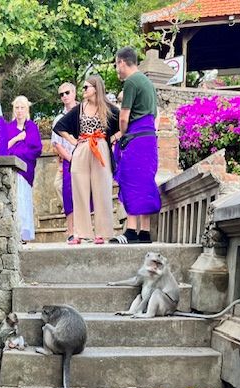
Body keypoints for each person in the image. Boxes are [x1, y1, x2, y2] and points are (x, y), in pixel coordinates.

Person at [54, 76, 119, 245]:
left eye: (85, 87)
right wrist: (73, 141)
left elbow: (125, 124)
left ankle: (102, 233)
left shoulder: (109, 108)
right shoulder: (79, 109)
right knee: (79, 191)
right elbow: (59, 127)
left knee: (102, 190)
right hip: (82, 149)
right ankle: (80, 233)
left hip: (101, 149)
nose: (83, 91)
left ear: (96, 88)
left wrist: (113, 138)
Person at [110, 46, 160, 244]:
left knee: (130, 180)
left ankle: (131, 230)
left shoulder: (131, 82)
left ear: (122, 62)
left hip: (135, 138)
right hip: (149, 138)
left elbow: (124, 116)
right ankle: (144, 232)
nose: (117, 69)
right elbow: (154, 115)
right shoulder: (148, 82)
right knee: (146, 181)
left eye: (116, 64)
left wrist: (121, 134)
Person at [6, 96, 42, 244]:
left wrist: (20, 154)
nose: (19, 111)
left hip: (26, 169)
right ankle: (14, 231)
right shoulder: (9, 127)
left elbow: (36, 149)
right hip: (12, 168)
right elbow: (5, 147)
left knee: (24, 199)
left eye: (22, 108)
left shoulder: (32, 127)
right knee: (14, 199)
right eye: (17, 108)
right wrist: (18, 138)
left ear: (27, 109)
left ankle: (24, 233)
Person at [51, 82, 78, 242]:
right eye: (61, 94)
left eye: (67, 92)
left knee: (84, 195)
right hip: (69, 160)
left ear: (74, 93)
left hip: (85, 158)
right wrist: (70, 159)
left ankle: (85, 230)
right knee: (68, 195)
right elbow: (57, 144)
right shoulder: (59, 119)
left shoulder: (84, 113)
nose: (65, 96)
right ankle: (71, 231)